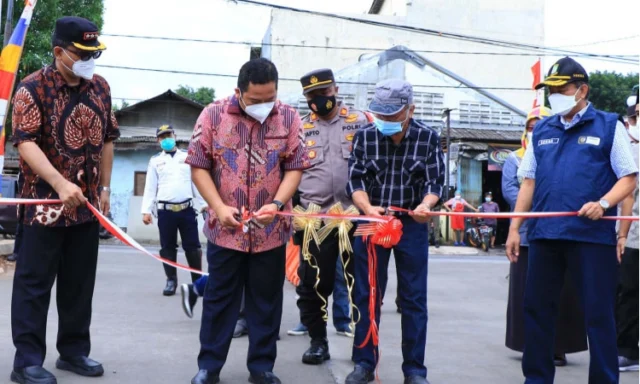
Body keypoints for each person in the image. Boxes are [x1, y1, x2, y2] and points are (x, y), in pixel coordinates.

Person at [506, 57, 638, 384]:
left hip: (591, 237)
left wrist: (604, 203)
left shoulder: (609, 126)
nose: (555, 97)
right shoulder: (544, 130)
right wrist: (514, 228)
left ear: (582, 90)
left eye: (561, 89)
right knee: (537, 311)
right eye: (550, 91)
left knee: (598, 314)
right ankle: (536, 379)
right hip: (545, 235)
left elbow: (629, 178)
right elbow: (529, 182)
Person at [185, 58, 310, 384]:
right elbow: (198, 166)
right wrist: (218, 207)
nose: (264, 106)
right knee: (219, 299)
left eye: (270, 97)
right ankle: (208, 367)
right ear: (239, 91)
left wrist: (278, 203)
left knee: (266, 302)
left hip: (271, 231)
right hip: (225, 231)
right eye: (256, 100)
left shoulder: (289, 117)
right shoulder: (212, 115)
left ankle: (261, 367)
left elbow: (295, 166)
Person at [9, 16, 119, 384]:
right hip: (42, 208)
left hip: (85, 210)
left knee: (78, 285)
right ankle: (26, 362)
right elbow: (24, 142)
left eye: (95, 53)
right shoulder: (32, 88)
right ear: (59, 52)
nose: (90, 61)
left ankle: (73, 352)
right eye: (82, 53)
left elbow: (108, 138)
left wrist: (103, 189)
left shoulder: (100, 87)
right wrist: (59, 184)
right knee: (34, 285)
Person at [345, 79, 444, 384]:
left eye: (391, 115)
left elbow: (435, 183)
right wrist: (365, 208)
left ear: (410, 110)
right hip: (371, 221)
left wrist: (426, 205)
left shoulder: (428, 138)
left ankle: (414, 369)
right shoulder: (364, 137)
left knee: (414, 298)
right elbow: (355, 181)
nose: (384, 121)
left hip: (411, 225)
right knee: (367, 294)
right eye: (380, 115)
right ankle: (363, 362)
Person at [289, 68, 372, 365]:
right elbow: (289, 174)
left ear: (335, 90)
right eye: (311, 96)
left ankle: (363, 347)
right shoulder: (297, 129)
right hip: (315, 216)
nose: (318, 100)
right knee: (312, 283)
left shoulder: (360, 122)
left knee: (360, 282)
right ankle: (317, 341)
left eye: (323, 93)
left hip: (356, 215)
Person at [501, 105, 587, 367]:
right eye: (530, 126)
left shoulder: (571, 154)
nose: (535, 130)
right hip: (528, 235)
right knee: (529, 294)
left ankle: (559, 347)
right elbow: (511, 191)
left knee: (563, 292)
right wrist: (540, 205)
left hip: (565, 232)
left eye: (542, 125)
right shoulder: (514, 158)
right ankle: (530, 345)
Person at [141, 124, 205, 296]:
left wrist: (204, 204)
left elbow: (196, 183)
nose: (166, 139)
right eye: (162, 137)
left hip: (187, 210)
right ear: (158, 141)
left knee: (193, 247)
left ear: (175, 136)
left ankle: (198, 282)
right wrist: (146, 210)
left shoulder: (187, 157)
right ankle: (171, 280)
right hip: (165, 211)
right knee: (167, 247)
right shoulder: (155, 160)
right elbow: (150, 187)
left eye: (168, 135)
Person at [616, 97, 639, 372]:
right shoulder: (632, 150)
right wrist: (622, 235)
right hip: (634, 236)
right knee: (629, 293)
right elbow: (628, 195)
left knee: (629, 293)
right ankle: (626, 350)